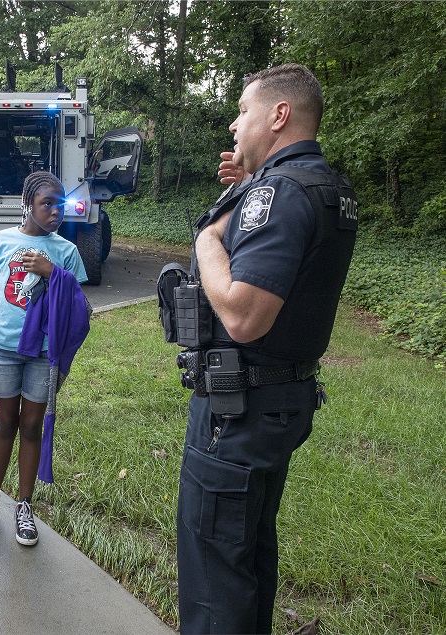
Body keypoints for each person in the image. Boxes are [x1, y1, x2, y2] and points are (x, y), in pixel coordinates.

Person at [175, 64, 358, 634]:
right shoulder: (326, 187)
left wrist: (207, 237)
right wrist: (247, 186)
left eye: (243, 111)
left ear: (279, 115)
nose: (234, 125)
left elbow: (244, 314)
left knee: (214, 570)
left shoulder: (279, 194)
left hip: (239, 409)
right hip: (278, 399)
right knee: (247, 549)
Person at [0, 171, 87, 546]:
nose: (55, 211)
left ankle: (24, 504)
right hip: (4, 349)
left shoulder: (66, 251)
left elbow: (78, 308)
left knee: (32, 426)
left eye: (59, 204)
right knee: (5, 424)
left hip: (45, 354)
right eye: (46, 204)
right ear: (27, 205)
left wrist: (54, 273)